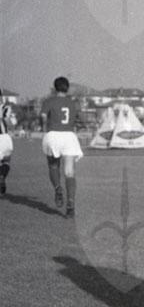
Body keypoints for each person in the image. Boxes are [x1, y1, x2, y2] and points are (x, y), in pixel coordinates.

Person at [41, 76, 83, 217]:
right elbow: (77, 119)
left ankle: (58, 188)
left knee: (53, 166)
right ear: (67, 88)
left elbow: (43, 117)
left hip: (53, 135)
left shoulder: (49, 101)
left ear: (55, 87)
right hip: (69, 136)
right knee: (69, 172)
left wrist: (44, 130)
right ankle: (71, 203)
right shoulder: (72, 103)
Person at [0, 89, 17, 195]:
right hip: (5, 138)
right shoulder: (6, 107)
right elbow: (9, 122)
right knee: (6, 161)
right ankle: (2, 176)